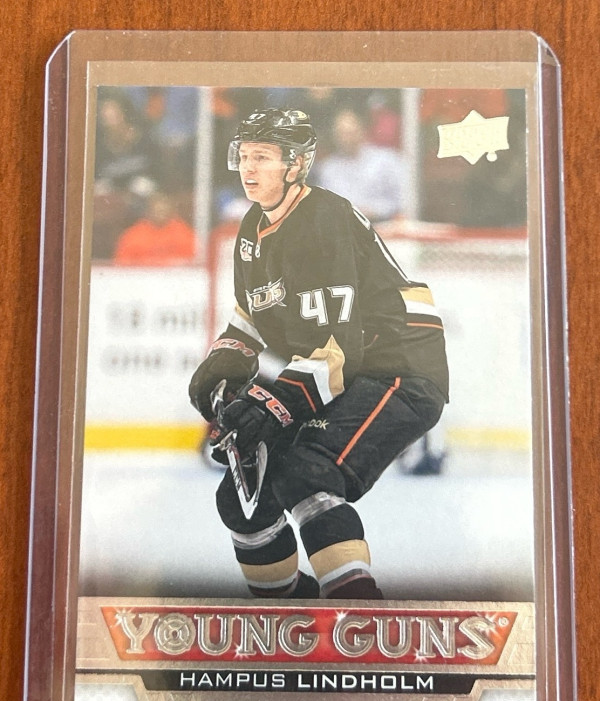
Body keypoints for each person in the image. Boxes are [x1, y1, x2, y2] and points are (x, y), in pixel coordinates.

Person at [189, 109, 449, 600]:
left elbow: (338, 347)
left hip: (398, 363)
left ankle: (359, 614)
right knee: (242, 499)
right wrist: (226, 357)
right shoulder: (252, 227)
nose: (249, 169)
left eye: (263, 157)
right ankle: (289, 615)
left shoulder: (323, 220)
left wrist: (274, 402)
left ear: (296, 165)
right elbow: (255, 314)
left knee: (307, 472)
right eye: (245, 156)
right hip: (346, 362)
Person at [314, 108, 408, 223]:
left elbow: (403, 200)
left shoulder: (386, 160)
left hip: (382, 224)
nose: (345, 139)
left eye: (350, 133)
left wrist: (374, 210)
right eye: (341, 134)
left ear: (362, 130)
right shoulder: (328, 168)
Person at [114, 193, 196, 265]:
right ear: (148, 211)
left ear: (171, 211)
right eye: (157, 210)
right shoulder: (132, 235)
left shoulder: (185, 234)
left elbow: (193, 262)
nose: (160, 214)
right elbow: (122, 265)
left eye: (163, 210)